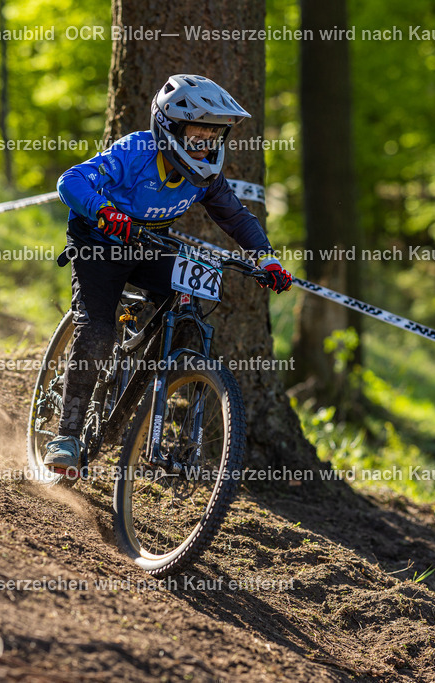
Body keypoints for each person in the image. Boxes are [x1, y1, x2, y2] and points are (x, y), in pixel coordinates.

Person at [44, 74, 292, 474]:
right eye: (199, 132)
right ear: (171, 127)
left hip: (148, 245)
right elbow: (70, 180)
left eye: (215, 134)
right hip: (99, 243)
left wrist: (266, 259)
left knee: (190, 301)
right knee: (97, 330)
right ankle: (67, 435)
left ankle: (146, 391)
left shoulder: (206, 176)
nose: (207, 143)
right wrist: (106, 212)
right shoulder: (136, 151)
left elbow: (235, 216)